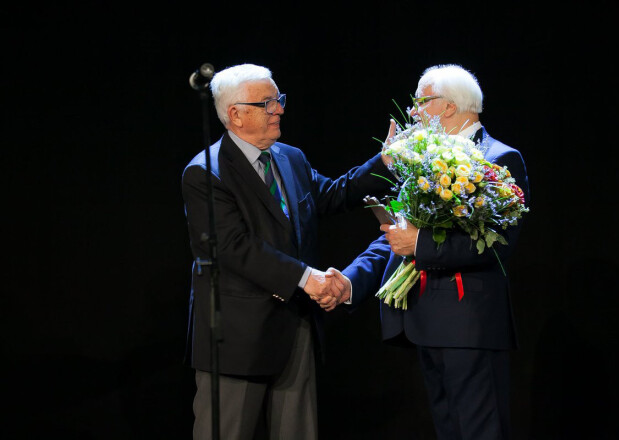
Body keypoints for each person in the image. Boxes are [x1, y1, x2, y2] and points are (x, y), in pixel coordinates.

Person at [181, 63, 393, 440]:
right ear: (236, 114)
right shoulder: (205, 173)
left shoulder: (289, 157)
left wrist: (385, 163)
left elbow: (334, 194)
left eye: (279, 99)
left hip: (296, 328)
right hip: (237, 340)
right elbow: (234, 248)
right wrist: (306, 278)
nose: (279, 108)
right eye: (268, 103)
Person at [340, 64, 530, 440]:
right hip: (424, 321)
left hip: (469, 324)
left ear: (447, 107)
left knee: (480, 431)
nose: (412, 112)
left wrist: (421, 244)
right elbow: (394, 238)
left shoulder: (499, 158)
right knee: (448, 430)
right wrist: (349, 281)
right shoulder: (422, 161)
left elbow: (499, 245)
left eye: (420, 101)